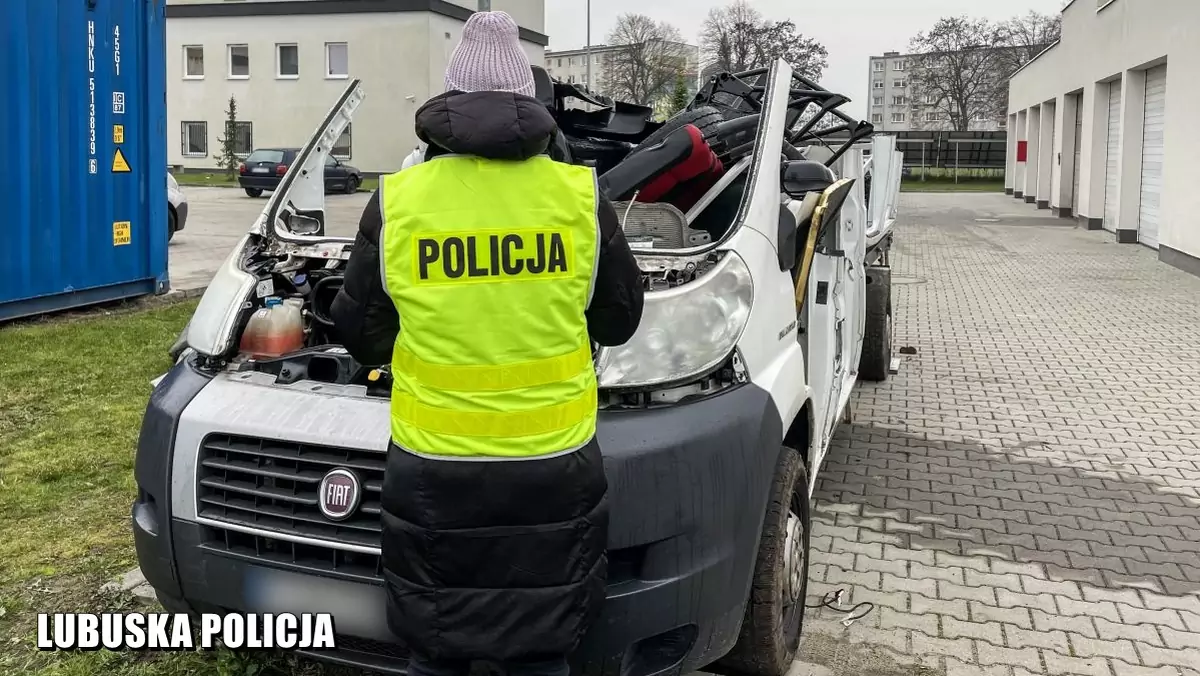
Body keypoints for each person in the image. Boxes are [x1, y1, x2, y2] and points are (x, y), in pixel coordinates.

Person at [329, 10, 645, 676]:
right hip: (553, 468)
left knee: (437, 650)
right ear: (529, 106)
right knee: (541, 653)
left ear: (449, 104)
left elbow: (362, 336)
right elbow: (620, 320)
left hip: (434, 470)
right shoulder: (578, 198)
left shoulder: (399, 201)